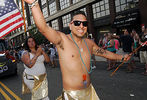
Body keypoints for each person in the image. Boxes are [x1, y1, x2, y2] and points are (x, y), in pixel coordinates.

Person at [23, 0, 131, 99]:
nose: (81, 26)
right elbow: (43, 28)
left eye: (84, 23)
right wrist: (34, 4)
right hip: (72, 96)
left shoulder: (89, 43)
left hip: (89, 92)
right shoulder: (62, 40)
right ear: (70, 25)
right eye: (77, 23)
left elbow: (105, 53)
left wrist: (121, 57)